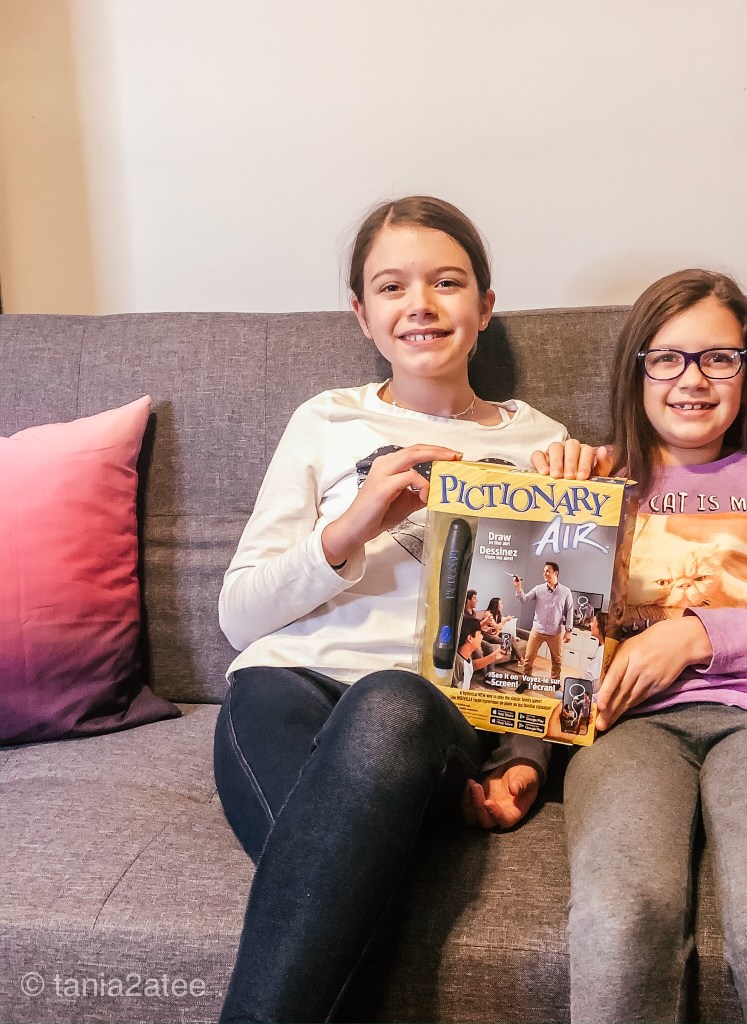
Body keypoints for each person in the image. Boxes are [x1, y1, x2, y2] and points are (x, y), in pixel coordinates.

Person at [213, 196, 574, 1023]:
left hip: (425, 710)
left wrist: (526, 758)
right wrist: (352, 528)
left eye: (448, 282)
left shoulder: (544, 445)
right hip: (286, 686)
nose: (421, 303)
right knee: (336, 900)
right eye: (391, 287)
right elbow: (238, 618)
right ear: (363, 315)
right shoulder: (325, 420)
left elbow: (551, 641)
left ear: (485, 307)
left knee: (390, 700)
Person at [535, 269, 747, 1024]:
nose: (694, 378)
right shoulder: (596, 480)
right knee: (621, 917)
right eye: (669, 358)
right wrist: (546, 494)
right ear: (637, 369)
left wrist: (699, 634)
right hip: (628, 728)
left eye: (719, 358)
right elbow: (536, 632)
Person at [513, 561, 574, 679]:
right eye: (544, 571)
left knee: (557, 660)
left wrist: (569, 630)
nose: (544, 573)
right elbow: (524, 600)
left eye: (547, 571)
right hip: (537, 630)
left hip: (555, 633)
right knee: (528, 658)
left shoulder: (565, 591)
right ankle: (526, 680)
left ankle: (555, 682)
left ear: (555, 573)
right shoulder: (538, 589)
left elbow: (570, 610)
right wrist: (518, 587)